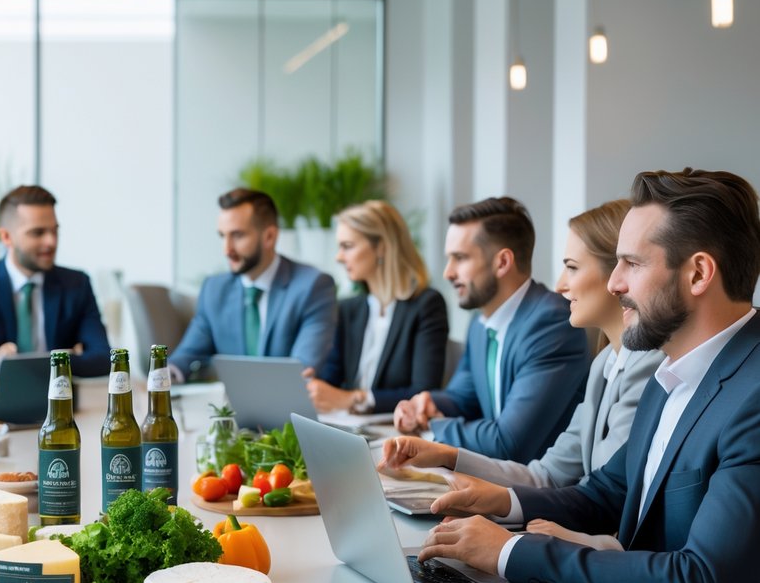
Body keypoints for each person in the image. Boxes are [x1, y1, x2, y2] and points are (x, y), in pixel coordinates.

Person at [415, 169, 760, 583]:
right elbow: (605, 494)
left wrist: (513, 553)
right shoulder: (673, 373)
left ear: (698, 274)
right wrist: (501, 504)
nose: (615, 282)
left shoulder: (751, 395)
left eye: (631, 264)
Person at [381, 200, 664, 550]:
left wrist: (520, 537)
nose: (560, 285)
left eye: (572, 268)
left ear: (618, 276)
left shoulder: (643, 364)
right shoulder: (604, 362)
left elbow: (606, 501)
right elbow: (545, 475)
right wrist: (446, 455)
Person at [393, 197, 589, 463]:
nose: (448, 272)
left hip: (539, 495)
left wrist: (431, 428)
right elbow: (463, 396)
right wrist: (427, 405)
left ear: (502, 262)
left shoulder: (551, 323)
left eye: (459, 258)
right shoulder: (480, 321)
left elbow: (508, 443)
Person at [0, 185, 110, 378]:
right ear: (6, 236)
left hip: (60, 400)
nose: (51, 241)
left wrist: (45, 366)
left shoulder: (77, 284)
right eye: (38, 233)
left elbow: (103, 357)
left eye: (54, 231)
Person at [168, 188, 337, 379]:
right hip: (231, 406)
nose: (227, 249)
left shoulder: (312, 286)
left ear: (269, 237)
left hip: (289, 406)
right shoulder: (214, 289)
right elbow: (187, 355)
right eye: (223, 236)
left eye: (238, 235)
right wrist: (165, 377)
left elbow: (303, 368)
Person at [304, 200, 449, 414]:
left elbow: (423, 391)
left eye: (347, 246)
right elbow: (331, 379)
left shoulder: (426, 305)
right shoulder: (347, 309)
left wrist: (354, 399)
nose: (339, 257)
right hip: (350, 425)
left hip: (394, 431)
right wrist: (313, 385)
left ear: (381, 246)